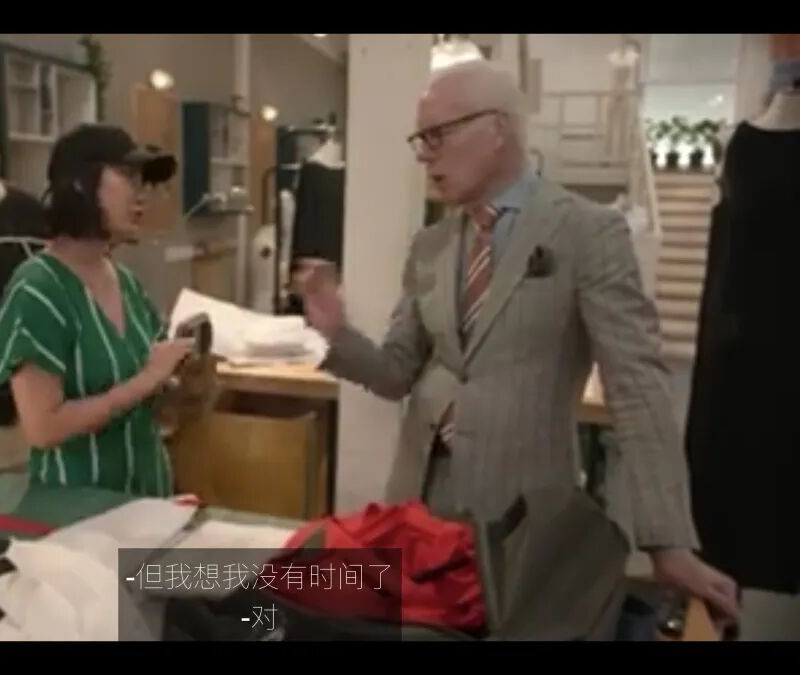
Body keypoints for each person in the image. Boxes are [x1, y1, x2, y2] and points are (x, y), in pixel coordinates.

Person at [295, 60, 740, 625]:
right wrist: (335, 333)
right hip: (419, 509)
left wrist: (666, 540)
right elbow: (396, 372)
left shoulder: (587, 233)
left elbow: (637, 388)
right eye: (420, 139)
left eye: (437, 135)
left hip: (522, 519)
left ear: (497, 128)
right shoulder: (431, 246)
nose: (424, 154)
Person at [0, 124, 193, 496]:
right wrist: (146, 380)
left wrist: (188, 384)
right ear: (81, 184)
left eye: (143, 182)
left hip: (149, 501)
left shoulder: (127, 283)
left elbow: (158, 407)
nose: (141, 195)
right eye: (128, 177)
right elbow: (43, 428)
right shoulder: (39, 289)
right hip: (78, 511)